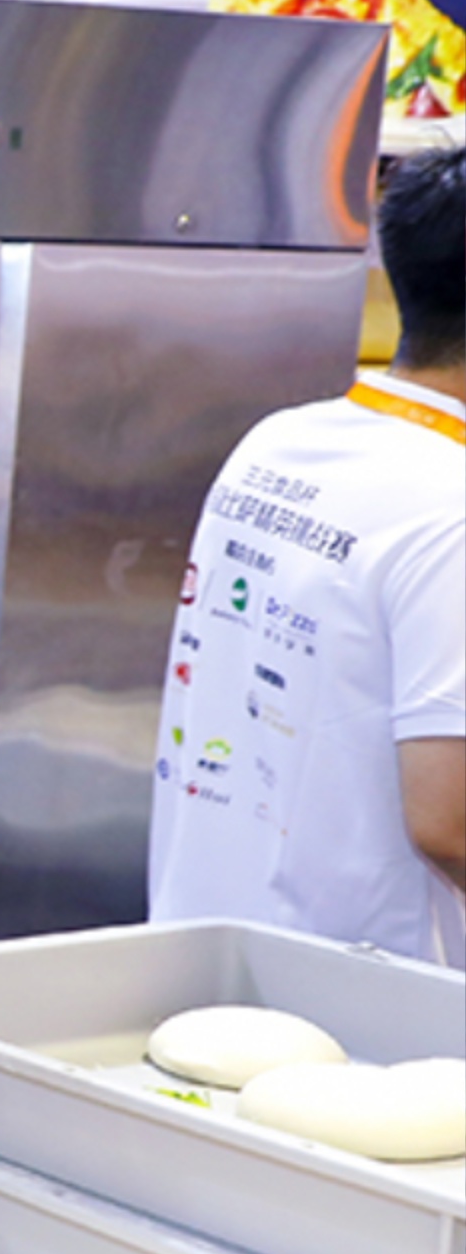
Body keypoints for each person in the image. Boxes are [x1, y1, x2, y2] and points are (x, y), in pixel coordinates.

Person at [148, 144, 465, 967]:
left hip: (211, 954)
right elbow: (450, 824)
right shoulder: (453, 508)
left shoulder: (281, 440)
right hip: (374, 1004)